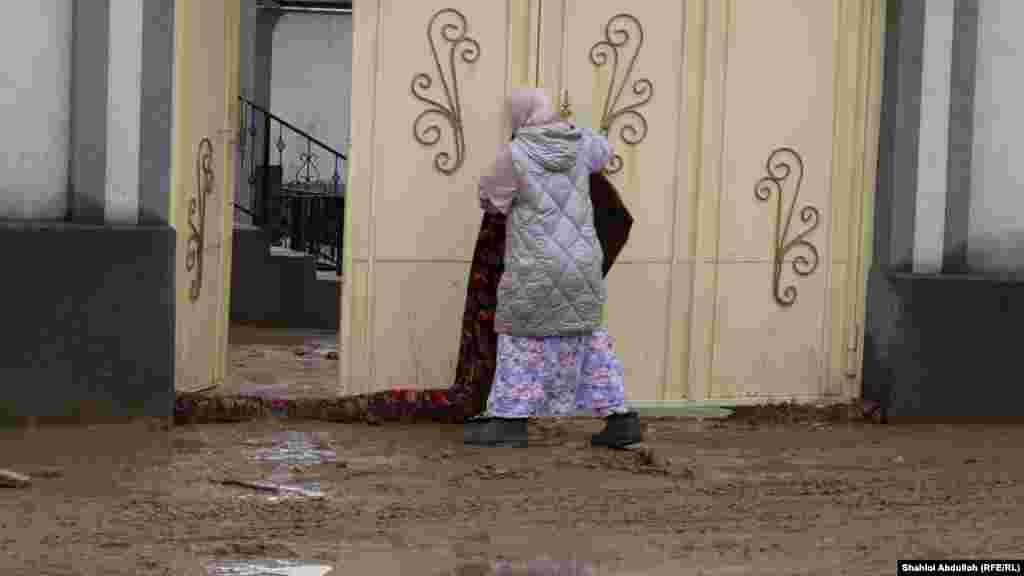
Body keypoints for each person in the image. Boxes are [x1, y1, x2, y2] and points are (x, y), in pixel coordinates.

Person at [463, 87, 643, 449]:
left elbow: (489, 198)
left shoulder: (514, 154)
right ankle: (621, 420)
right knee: (587, 335)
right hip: (582, 263)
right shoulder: (580, 144)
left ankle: (509, 422)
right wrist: (572, 129)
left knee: (520, 337)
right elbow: (605, 153)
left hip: (536, 263)